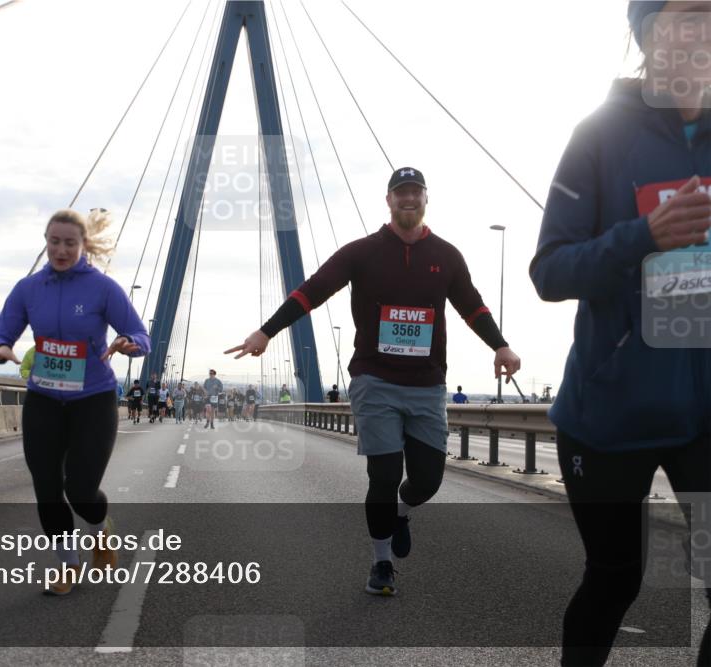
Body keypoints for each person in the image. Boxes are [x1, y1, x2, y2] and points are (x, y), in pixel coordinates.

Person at [226, 166, 520, 596]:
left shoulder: (447, 255)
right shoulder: (361, 252)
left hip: (427, 385)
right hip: (375, 381)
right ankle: (381, 564)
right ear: (388, 200)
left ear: (425, 199)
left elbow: (471, 306)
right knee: (383, 476)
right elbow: (312, 291)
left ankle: (399, 513)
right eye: (400, 193)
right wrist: (266, 331)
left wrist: (501, 345)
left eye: (415, 192)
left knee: (427, 481)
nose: (408, 199)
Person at [530, 3, 710, 663]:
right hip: (609, 415)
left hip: (705, 417)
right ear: (648, 34)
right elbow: (549, 270)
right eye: (688, 14)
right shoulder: (599, 136)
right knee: (615, 577)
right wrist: (644, 236)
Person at [0, 209, 150, 596]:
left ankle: (101, 531)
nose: (61, 249)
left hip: (93, 400)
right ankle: (68, 566)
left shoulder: (103, 289)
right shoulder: (28, 288)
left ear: (84, 245)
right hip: (44, 399)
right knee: (47, 488)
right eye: (54, 241)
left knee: (82, 492)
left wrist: (129, 344)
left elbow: (139, 333)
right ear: (46, 241)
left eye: (70, 242)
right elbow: (2, 332)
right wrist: (0, 348)